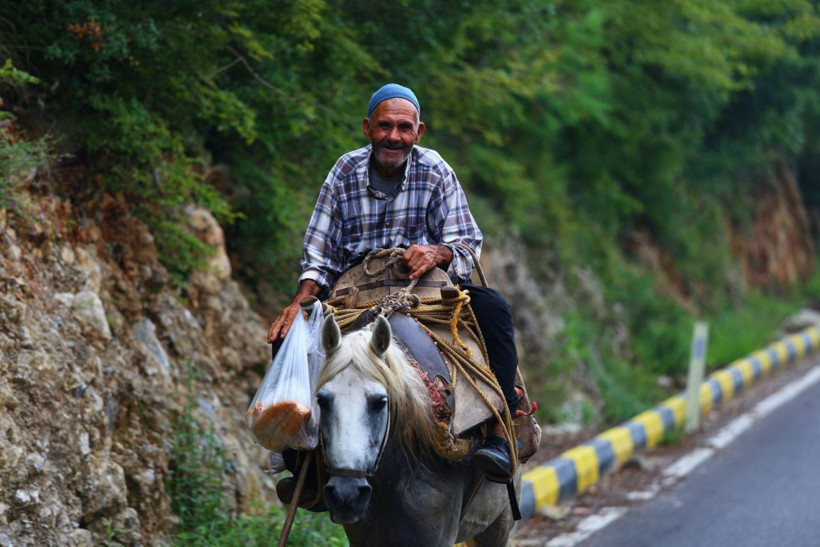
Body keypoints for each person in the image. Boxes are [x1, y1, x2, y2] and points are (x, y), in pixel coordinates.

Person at [267, 84, 520, 502]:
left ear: (418, 132)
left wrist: (437, 251)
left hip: (424, 288)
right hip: (356, 290)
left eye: (404, 128)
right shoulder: (343, 172)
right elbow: (319, 253)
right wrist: (301, 300)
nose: (394, 136)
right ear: (368, 127)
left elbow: (466, 244)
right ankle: (302, 459)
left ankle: (500, 429)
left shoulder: (435, 169)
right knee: (287, 336)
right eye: (385, 126)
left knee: (494, 309)